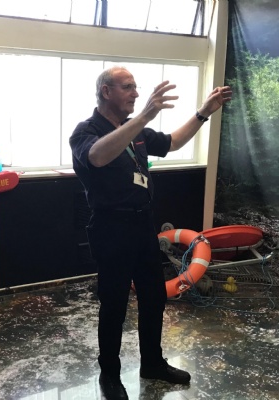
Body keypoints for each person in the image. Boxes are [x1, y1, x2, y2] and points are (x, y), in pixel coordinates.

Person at [69, 66, 232, 400]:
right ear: (106, 91)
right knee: (114, 304)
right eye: (128, 87)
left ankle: (153, 363)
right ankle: (109, 375)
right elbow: (97, 157)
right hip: (111, 227)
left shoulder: (137, 131)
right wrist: (144, 116)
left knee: (154, 297)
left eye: (136, 87)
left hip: (142, 224)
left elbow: (172, 142)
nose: (136, 93)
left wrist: (203, 112)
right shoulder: (86, 131)